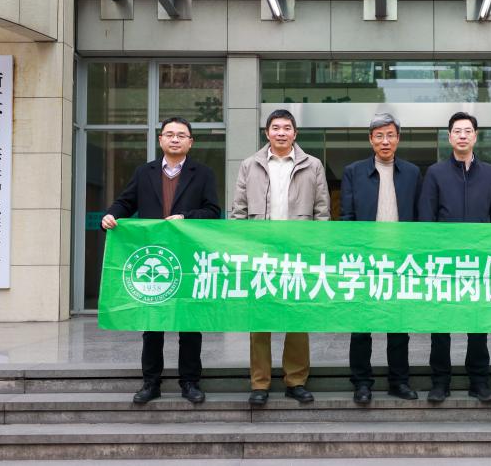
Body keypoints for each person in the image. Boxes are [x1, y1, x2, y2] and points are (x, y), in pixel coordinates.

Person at [101, 117, 222, 405]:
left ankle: (190, 382)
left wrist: (186, 217)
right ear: (160, 140)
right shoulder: (145, 172)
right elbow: (126, 202)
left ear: (191, 142)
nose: (175, 139)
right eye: (169, 134)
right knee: (152, 323)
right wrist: (112, 215)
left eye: (181, 135)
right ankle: (151, 383)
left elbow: (212, 211)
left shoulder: (203, 173)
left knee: (189, 323)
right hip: (154, 258)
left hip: (188, 257)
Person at [231, 109, 330, 405]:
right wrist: (241, 249)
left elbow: (322, 211)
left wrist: (315, 250)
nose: (281, 132)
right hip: (260, 252)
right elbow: (238, 211)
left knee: (297, 318)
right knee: (259, 321)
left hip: (298, 252)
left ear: (295, 133)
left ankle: (295, 380)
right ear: (267, 133)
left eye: (287, 128)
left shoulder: (312, 165)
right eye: (276, 128)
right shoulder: (250, 165)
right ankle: (259, 383)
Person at [418, 112, 491, 403]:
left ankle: (479, 381)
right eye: (457, 131)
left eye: (468, 131)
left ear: (475, 136)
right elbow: (426, 220)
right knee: (440, 327)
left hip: (479, 263)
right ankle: (440, 381)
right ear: (450, 137)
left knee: (478, 326)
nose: (463, 135)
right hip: (443, 263)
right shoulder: (435, 173)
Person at [341, 113, 422, 404]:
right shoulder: (353, 172)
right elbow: (347, 217)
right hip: (365, 259)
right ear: (370, 140)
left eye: (390, 135)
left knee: (398, 325)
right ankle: (362, 382)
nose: (385, 141)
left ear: (398, 139)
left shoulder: (412, 173)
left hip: (401, 260)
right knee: (361, 326)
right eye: (379, 136)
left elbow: (420, 217)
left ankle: (399, 381)